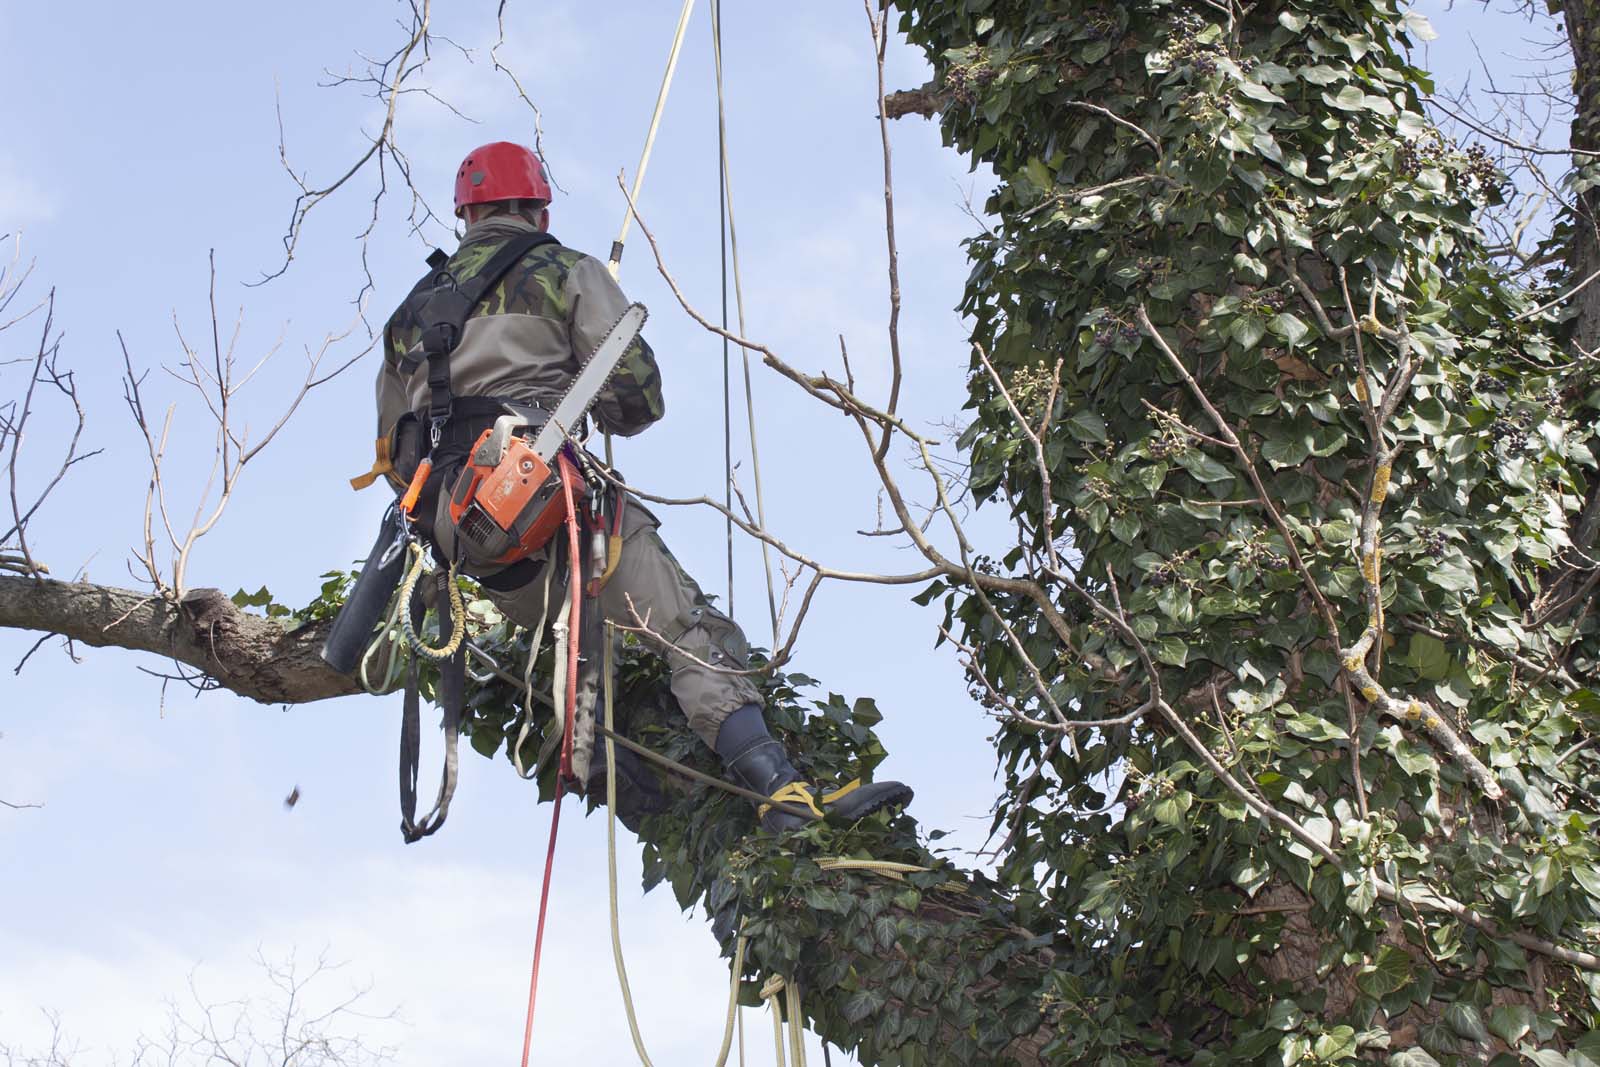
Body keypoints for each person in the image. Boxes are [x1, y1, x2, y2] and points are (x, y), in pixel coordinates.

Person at [367, 141, 911, 831]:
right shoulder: (566, 270)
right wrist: (577, 385)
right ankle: (782, 791)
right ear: (538, 210)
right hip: (546, 501)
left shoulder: (408, 317)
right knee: (687, 630)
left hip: (467, 538)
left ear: (465, 215)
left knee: (581, 625)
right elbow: (637, 397)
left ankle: (592, 748)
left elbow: (394, 453)